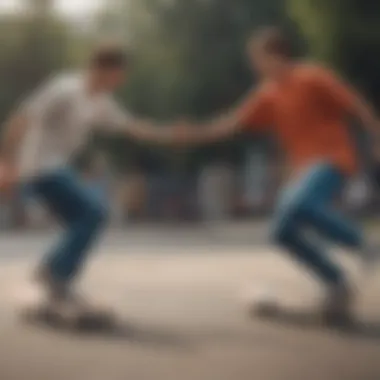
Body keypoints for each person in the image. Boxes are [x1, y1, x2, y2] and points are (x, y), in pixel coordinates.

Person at [180, 27, 380, 322]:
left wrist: (376, 136)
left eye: (258, 60)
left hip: (332, 160)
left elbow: (355, 104)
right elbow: (232, 123)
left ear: (277, 55)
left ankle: (362, 243)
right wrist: (192, 132)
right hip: (302, 171)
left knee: (300, 206)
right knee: (280, 231)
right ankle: (336, 283)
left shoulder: (313, 76)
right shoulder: (268, 93)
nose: (256, 67)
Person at [0, 43, 182, 311]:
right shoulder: (63, 88)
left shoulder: (100, 102)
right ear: (101, 68)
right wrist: (6, 163)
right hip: (38, 168)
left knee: (85, 218)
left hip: (55, 169)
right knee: (92, 213)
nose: (118, 83)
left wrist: (170, 134)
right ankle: (55, 275)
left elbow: (131, 127)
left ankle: (52, 271)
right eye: (117, 76)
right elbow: (21, 119)